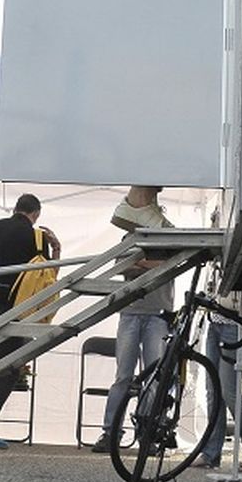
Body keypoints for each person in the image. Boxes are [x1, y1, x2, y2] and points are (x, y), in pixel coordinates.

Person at [0, 193, 60, 449]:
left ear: (16, 208)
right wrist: (57, 251)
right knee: (11, 366)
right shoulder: (36, 236)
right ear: (35, 214)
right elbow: (45, 277)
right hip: (9, 304)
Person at [92, 186, 175, 453]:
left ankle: (147, 433)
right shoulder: (131, 234)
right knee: (124, 376)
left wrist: (140, 263)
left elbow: (166, 265)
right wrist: (148, 263)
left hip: (155, 312)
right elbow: (124, 265)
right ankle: (111, 432)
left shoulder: (167, 231)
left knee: (152, 376)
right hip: (132, 312)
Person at [196, 301, 242, 472]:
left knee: (229, 392)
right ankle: (211, 453)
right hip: (217, 320)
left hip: (237, 322)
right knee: (214, 391)